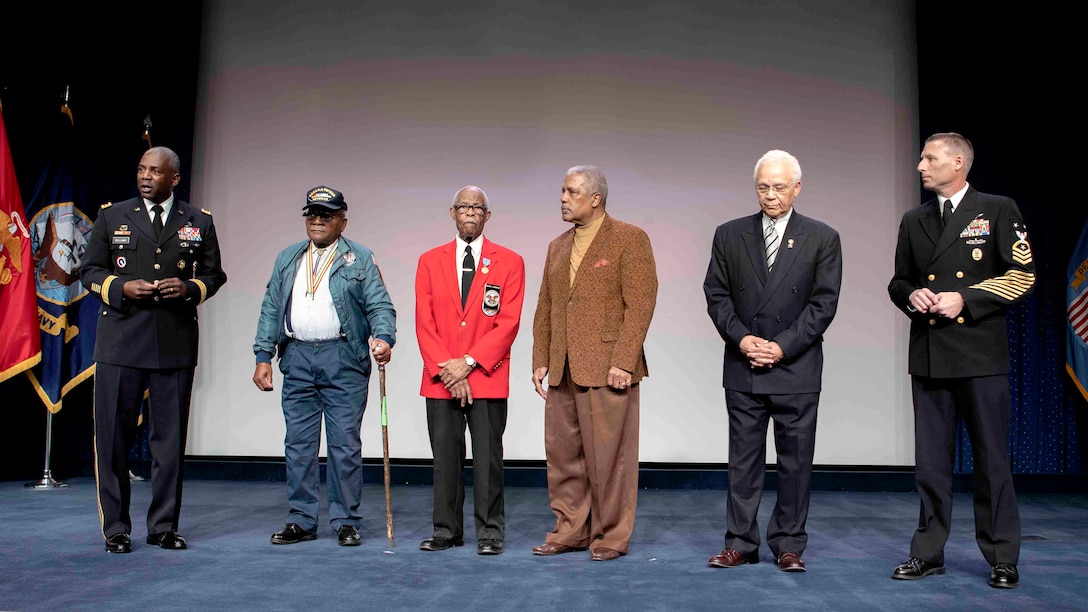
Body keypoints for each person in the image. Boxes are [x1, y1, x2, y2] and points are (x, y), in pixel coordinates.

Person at [888, 133, 1034, 589]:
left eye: (929, 158)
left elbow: (1021, 276)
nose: (920, 166)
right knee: (931, 463)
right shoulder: (915, 219)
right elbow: (899, 282)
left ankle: (1002, 556)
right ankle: (928, 553)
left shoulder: (997, 208)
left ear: (958, 163)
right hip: (930, 357)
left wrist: (964, 299)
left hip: (979, 355)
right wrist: (913, 294)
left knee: (992, 462)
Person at [81, 146, 227, 553]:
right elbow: (89, 270)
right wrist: (120, 287)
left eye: (156, 171)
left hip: (174, 343)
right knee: (112, 439)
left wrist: (190, 289)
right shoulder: (113, 216)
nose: (146, 176)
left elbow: (215, 275)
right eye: (142, 168)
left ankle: (163, 526)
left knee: (168, 441)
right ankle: (116, 529)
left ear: (174, 179)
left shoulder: (198, 221)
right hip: (121, 341)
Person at [702, 150, 842, 572]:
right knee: (742, 463)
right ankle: (741, 543)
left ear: (797, 188)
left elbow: (824, 304)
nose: (770, 195)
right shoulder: (729, 234)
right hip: (743, 366)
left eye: (779, 187)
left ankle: (788, 544)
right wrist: (743, 339)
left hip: (795, 368)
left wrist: (780, 346)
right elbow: (716, 295)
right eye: (763, 187)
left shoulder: (822, 237)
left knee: (796, 464)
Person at [252, 185, 396, 547]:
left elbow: (380, 305)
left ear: (342, 222)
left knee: (344, 444)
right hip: (297, 356)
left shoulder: (359, 258)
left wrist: (384, 338)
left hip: (343, 358)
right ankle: (301, 519)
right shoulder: (287, 257)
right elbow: (271, 307)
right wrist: (262, 355)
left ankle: (345, 518)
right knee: (298, 443)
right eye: (312, 214)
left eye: (326, 215)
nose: (317, 220)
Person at [531, 165, 657, 561]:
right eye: (562, 191)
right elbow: (546, 305)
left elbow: (640, 304)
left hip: (608, 367)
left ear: (595, 198)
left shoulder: (629, 239)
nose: (563, 198)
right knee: (564, 455)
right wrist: (540, 358)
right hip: (563, 366)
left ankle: (611, 535)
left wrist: (623, 359)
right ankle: (570, 529)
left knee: (610, 457)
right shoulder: (557, 245)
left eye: (570, 192)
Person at [414, 186, 525, 555]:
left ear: (488, 216)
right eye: (464, 206)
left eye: (478, 208)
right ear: (452, 212)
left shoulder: (510, 261)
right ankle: (446, 530)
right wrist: (450, 371)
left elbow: (507, 323)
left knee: (488, 460)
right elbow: (424, 323)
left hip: (487, 376)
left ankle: (490, 533)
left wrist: (470, 363)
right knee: (444, 458)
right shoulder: (429, 260)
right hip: (441, 378)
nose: (471, 212)